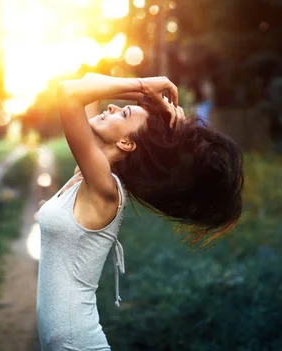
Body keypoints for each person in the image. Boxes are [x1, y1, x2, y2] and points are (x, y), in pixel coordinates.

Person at [36, 73, 244, 350]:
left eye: (121, 113)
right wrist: (147, 96)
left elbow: (70, 93)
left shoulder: (104, 189)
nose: (111, 107)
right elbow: (87, 81)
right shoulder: (85, 175)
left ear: (126, 143)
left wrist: (145, 85)